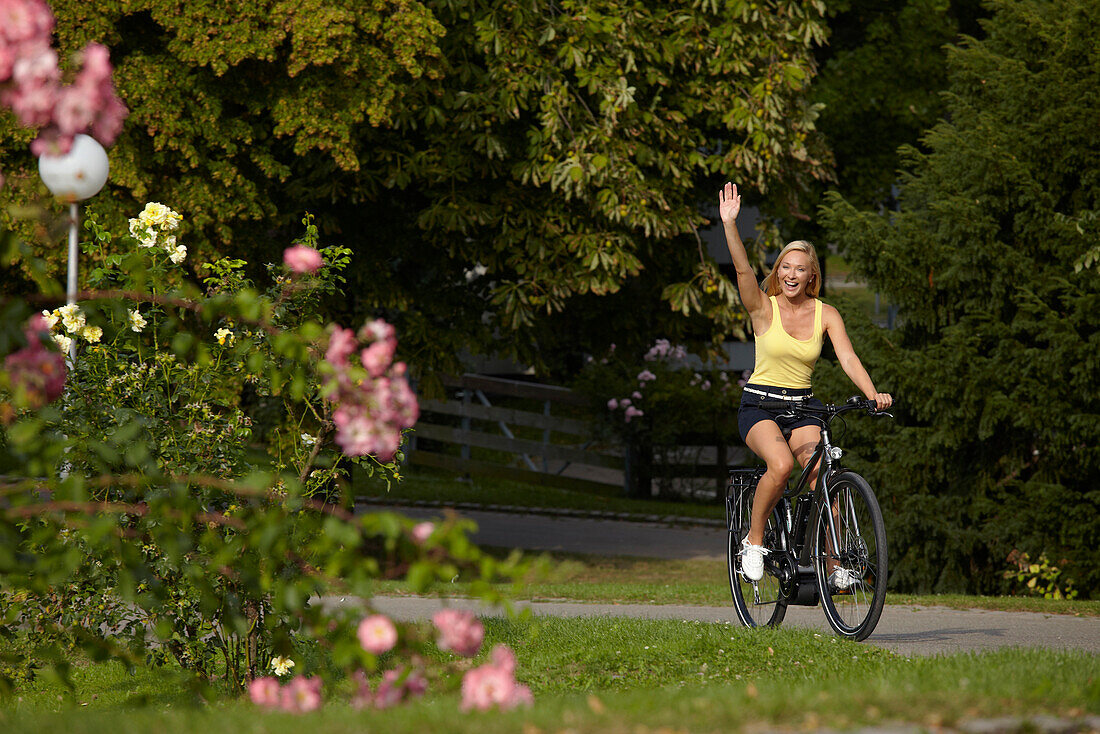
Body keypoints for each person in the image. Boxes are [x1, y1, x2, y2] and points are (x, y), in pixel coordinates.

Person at [719, 182, 892, 586]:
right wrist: (730, 224)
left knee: (824, 479)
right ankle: (754, 540)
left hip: (803, 406)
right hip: (759, 406)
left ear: (812, 274)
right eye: (785, 267)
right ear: (777, 271)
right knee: (778, 466)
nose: (791, 274)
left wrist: (873, 395)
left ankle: (834, 567)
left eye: (800, 268)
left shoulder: (826, 313)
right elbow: (744, 270)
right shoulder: (763, 308)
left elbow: (847, 358)